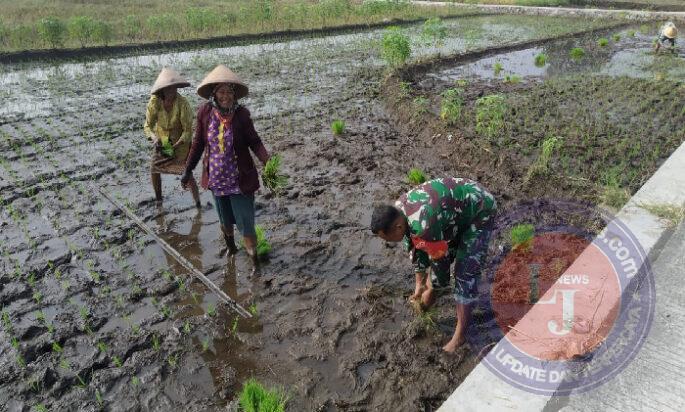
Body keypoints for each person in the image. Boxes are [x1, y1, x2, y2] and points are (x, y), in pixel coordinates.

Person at [370, 177, 497, 353]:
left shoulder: (424, 225)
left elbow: (440, 265)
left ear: (398, 227)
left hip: (480, 210)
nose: (389, 242)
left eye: (388, 238)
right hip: (454, 212)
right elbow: (414, 244)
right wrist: (419, 285)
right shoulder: (398, 209)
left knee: (464, 274)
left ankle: (460, 337)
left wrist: (430, 290)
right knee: (439, 254)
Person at [181, 65, 270, 273]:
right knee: (225, 220)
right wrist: (187, 170)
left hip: (240, 181)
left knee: (246, 224)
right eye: (221, 92)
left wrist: (267, 160)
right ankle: (231, 250)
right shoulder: (205, 112)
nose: (226, 96)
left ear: (234, 94)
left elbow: (254, 142)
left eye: (229, 91)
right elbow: (198, 144)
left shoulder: (242, 115)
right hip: (217, 180)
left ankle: (254, 262)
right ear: (213, 93)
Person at [144, 67, 201, 207]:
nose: (172, 92)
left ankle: (198, 204)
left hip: (181, 144)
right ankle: (158, 200)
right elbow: (147, 126)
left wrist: (177, 144)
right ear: (161, 90)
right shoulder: (154, 102)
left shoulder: (182, 103)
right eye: (168, 89)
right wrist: (153, 137)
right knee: (154, 169)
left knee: (187, 174)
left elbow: (188, 131)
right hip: (162, 142)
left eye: (174, 88)